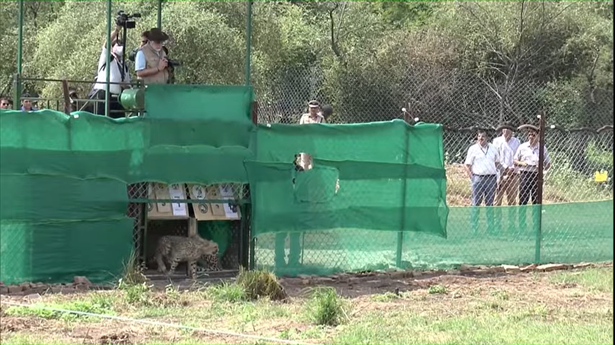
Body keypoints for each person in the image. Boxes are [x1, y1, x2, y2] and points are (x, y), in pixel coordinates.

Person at [88, 25, 131, 118]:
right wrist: (116, 31)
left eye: (121, 45)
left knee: (118, 123)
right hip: (103, 96)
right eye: (117, 44)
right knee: (102, 121)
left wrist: (125, 86)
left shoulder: (124, 66)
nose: (120, 47)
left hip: (118, 98)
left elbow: (128, 84)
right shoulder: (107, 58)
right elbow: (106, 44)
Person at [464, 129, 502, 233]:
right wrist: (472, 178)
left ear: (487, 138)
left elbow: (497, 164)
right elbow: (467, 165)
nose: (481, 138)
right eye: (479, 136)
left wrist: (502, 174)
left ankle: (490, 228)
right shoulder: (473, 149)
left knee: (489, 204)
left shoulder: (493, 149)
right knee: (476, 203)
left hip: (491, 178)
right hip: (478, 178)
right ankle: (474, 228)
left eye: (483, 136)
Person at [514, 125, 551, 206]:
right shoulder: (522, 146)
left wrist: (542, 168)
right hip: (525, 173)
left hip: (537, 175)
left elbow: (548, 163)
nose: (531, 137)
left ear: (538, 136)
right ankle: (522, 218)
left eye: (533, 135)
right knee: (523, 198)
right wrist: (522, 163)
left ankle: (535, 218)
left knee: (536, 199)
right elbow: (515, 160)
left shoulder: (542, 148)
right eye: (529, 135)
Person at [493, 122, 521, 206]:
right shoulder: (496, 141)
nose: (506, 130)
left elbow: (518, 157)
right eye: (504, 128)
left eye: (509, 129)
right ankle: (496, 219)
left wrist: (511, 169)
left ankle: (511, 219)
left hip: (513, 174)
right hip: (499, 173)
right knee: (497, 199)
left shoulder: (517, 142)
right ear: (502, 130)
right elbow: (496, 158)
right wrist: (505, 168)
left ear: (512, 131)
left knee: (512, 199)